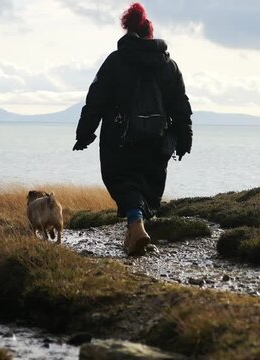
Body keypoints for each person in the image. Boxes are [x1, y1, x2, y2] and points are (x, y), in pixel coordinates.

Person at [73, 3, 192, 255]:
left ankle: (136, 225)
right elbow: (181, 105)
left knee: (123, 182)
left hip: (120, 140)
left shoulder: (115, 62)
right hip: (157, 141)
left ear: (128, 30)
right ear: (150, 32)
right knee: (147, 185)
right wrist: (184, 139)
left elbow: (95, 100)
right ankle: (134, 234)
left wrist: (84, 134)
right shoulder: (168, 66)